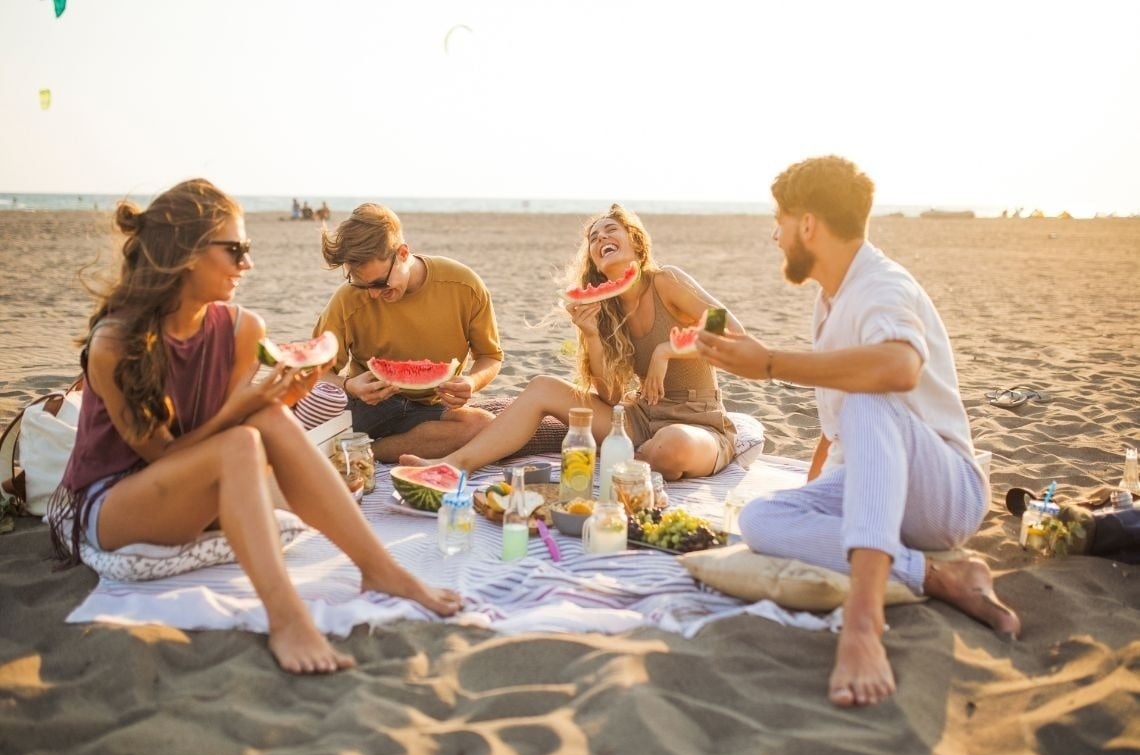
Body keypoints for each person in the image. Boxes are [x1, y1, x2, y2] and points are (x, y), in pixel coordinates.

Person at [47, 179, 461, 675]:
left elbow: (229, 433)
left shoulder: (243, 329)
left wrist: (279, 400)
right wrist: (244, 411)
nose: (248, 263)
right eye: (235, 249)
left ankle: (380, 570)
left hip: (195, 488)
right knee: (245, 434)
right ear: (186, 254)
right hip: (113, 503)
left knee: (263, 419)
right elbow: (162, 456)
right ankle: (286, 616)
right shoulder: (116, 342)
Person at [696, 156, 1020, 708]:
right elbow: (838, 425)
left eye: (780, 218)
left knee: (871, 401)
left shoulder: (882, 286)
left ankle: (863, 627)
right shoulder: (831, 300)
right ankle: (943, 578)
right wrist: (813, 487)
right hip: (881, 484)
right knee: (762, 517)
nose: (775, 234)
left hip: (946, 494)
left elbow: (897, 369)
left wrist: (769, 363)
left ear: (808, 225)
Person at [400, 203, 740, 480]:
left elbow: (727, 324)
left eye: (610, 230)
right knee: (542, 386)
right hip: (639, 420)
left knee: (672, 446)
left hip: (697, 421)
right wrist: (592, 334)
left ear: (636, 242)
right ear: (593, 258)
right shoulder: (604, 308)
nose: (600, 238)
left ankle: (635, 459)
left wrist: (667, 350)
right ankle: (456, 465)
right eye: (593, 237)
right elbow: (611, 396)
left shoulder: (665, 280)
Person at [313, 203, 504, 462]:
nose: (373, 294)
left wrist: (472, 382)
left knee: (483, 425)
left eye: (380, 283)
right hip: (366, 405)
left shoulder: (464, 286)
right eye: (362, 285)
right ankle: (357, 447)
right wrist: (350, 385)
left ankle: (366, 453)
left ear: (403, 253)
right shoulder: (348, 299)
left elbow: (490, 357)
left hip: (430, 408)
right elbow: (316, 373)